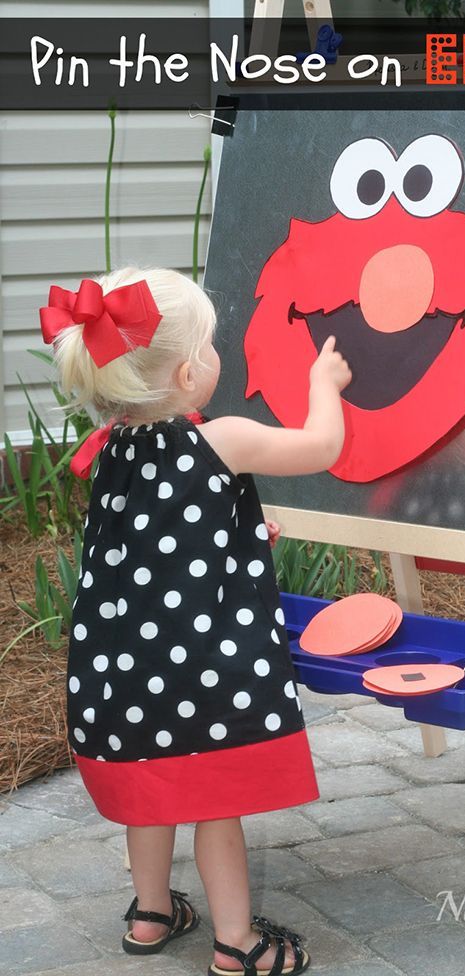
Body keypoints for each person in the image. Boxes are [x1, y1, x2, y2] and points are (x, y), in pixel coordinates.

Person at [39, 266, 352, 976]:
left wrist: (242, 535)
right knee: (216, 807)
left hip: (123, 670)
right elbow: (321, 448)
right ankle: (237, 944)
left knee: (151, 793)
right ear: (188, 373)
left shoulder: (112, 450)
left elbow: (162, 544)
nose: (219, 359)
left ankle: (152, 914)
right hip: (201, 675)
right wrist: (323, 388)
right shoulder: (222, 441)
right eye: (212, 349)